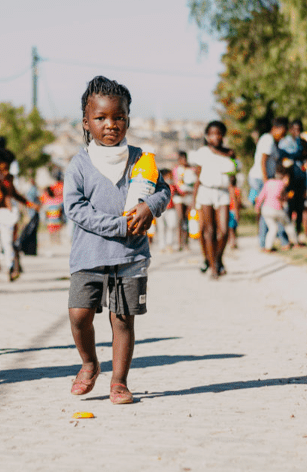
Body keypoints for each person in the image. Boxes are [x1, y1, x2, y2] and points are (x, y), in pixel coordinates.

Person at [64, 76, 170, 404]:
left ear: (128, 119)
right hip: (88, 255)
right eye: (101, 118)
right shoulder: (79, 164)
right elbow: (75, 208)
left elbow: (164, 191)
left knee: (122, 319)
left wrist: (149, 207)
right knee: (79, 315)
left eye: (119, 117)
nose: (111, 124)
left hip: (131, 256)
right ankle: (89, 363)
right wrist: (119, 226)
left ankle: (119, 381)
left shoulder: (141, 159)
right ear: (86, 122)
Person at [0, 148, 38, 281]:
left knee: (8, 242)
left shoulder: (8, 178)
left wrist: (30, 204)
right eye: (5, 166)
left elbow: (13, 194)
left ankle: (11, 268)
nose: (6, 169)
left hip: (4, 214)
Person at [191, 121, 237, 279]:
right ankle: (213, 268)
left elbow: (233, 178)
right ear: (207, 136)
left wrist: (235, 201)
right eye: (211, 134)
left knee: (223, 231)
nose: (215, 137)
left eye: (218, 133)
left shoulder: (230, 153)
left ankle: (217, 259)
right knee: (208, 231)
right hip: (206, 192)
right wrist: (193, 200)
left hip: (222, 192)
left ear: (223, 135)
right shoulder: (203, 152)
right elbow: (198, 178)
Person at [248, 117, 290, 250]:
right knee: (268, 211)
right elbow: (263, 160)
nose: (283, 136)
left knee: (269, 211)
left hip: (266, 179)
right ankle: (264, 244)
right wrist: (267, 182)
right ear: (275, 128)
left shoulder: (274, 142)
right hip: (261, 178)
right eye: (282, 132)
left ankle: (271, 242)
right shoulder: (268, 139)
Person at [279, 119, 307, 239]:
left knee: (300, 207)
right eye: (294, 129)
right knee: (289, 207)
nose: (297, 132)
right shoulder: (285, 142)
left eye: (299, 129)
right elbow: (282, 157)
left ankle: (298, 234)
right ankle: (287, 236)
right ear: (290, 130)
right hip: (290, 179)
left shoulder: (304, 142)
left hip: (301, 178)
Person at [254, 163, 300, 252]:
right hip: (276, 208)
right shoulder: (281, 184)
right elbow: (281, 197)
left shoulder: (268, 183)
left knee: (272, 228)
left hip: (266, 209)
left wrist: (257, 207)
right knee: (288, 224)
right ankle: (296, 242)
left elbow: (261, 196)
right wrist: (286, 197)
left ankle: (268, 247)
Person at [172, 151, 196, 250]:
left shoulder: (192, 169)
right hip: (179, 196)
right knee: (180, 218)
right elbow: (175, 182)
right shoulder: (176, 170)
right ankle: (179, 242)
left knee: (186, 219)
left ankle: (186, 242)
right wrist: (180, 191)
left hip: (189, 195)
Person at [157, 168, 179, 252]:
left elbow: (179, 192)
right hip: (161, 209)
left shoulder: (173, 185)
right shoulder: (158, 185)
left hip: (171, 208)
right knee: (161, 228)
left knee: (171, 226)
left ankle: (169, 244)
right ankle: (162, 246)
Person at [227, 174, 243, 250]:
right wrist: (237, 212)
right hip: (233, 210)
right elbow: (238, 202)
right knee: (233, 229)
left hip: (229, 210)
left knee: (230, 228)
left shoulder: (228, 189)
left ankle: (232, 242)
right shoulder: (237, 190)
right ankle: (233, 242)